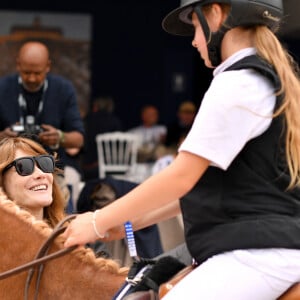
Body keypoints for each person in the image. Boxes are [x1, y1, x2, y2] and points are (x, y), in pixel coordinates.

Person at [63, 0, 300, 299]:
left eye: (196, 27)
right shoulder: (257, 78)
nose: (194, 40)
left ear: (216, 13)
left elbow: (180, 178)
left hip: (257, 253)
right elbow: (201, 189)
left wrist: (97, 222)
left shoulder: (238, 82)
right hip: (258, 247)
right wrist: (129, 223)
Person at [0, 41, 85, 209]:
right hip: (9, 169)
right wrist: (3, 137)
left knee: (61, 220)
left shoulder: (63, 89)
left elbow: (78, 140)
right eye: (26, 72)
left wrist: (60, 137)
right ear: (18, 65)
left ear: (48, 66)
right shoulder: (2, 88)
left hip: (51, 170)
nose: (32, 78)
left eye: (37, 73)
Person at [0, 136, 66, 227]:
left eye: (45, 163)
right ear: (2, 182)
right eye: (24, 166)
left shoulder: (70, 236)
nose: (41, 174)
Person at [81, 96, 123, 180]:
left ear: (96, 107)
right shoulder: (115, 121)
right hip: (112, 167)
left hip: (87, 166)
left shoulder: (87, 120)